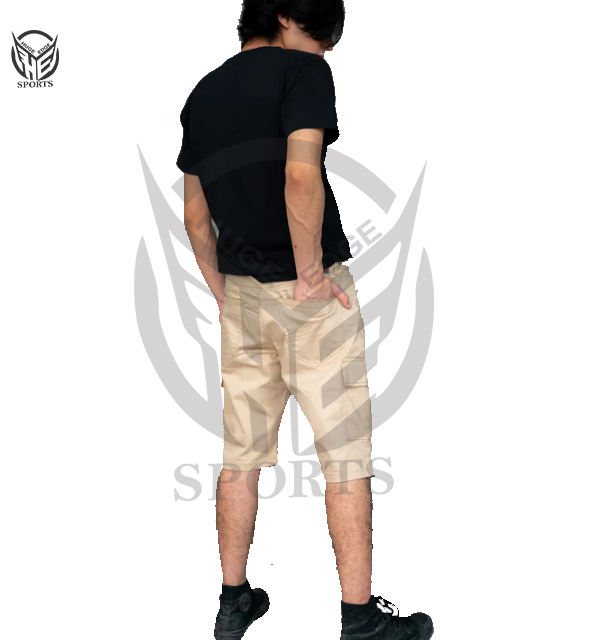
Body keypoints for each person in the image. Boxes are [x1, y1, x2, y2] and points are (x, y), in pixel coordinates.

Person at [176, 1, 434, 638]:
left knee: (240, 457)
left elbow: (195, 217)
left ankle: (233, 601)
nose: (328, 48)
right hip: (310, 298)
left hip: (242, 297)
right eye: (325, 32)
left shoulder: (202, 94)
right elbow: (300, 174)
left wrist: (223, 293)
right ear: (288, 18)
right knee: (345, 457)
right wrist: (311, 273)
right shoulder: (302, 73)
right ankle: (359, 619)